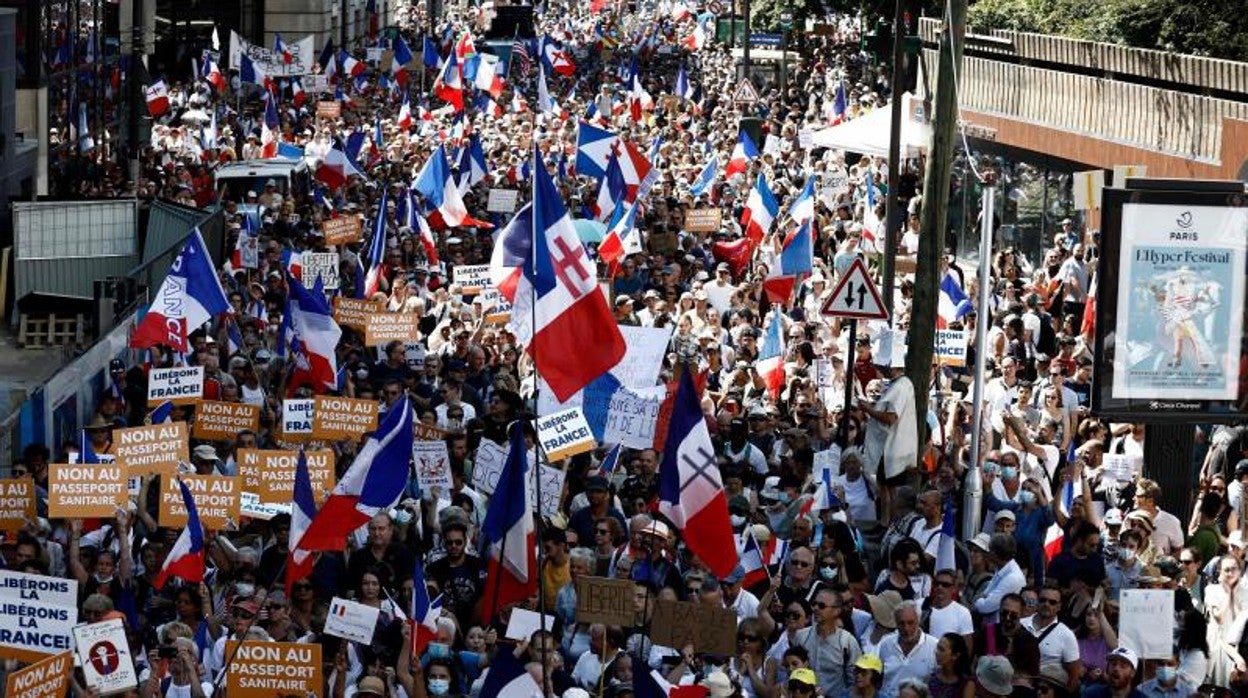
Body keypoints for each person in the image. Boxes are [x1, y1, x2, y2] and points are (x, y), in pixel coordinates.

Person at [794, 588, 862, 696]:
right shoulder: (800, 636)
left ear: (837, 611)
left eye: (821, 606)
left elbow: (855, 683)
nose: (815, 608)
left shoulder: (848, 642)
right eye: (814, 604)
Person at [878, 601, 939, 696]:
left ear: (919, 621)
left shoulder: (934, 646)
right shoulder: (886, 643)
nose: (906, 628)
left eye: (911, 623)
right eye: (901, 623)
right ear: (896, 623)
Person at [927, 633, 975, 698]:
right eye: (937, 647)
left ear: (955, 655)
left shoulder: (967, 684)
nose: (936, 652)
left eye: (941, 650)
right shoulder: (931, 676)